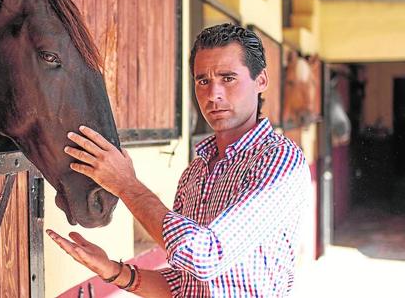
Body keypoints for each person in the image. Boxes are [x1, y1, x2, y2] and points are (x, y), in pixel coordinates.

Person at [47, 23, 310, 297]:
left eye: (228, 78)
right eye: (203, 81)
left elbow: (205, 257)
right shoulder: (195, 173)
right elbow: (184, 285)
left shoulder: (280, 161)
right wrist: (112, 270)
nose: (213, 94)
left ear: (261, 80)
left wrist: (126, 185)